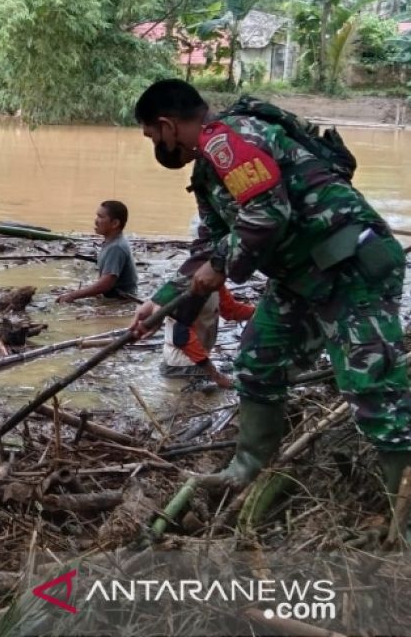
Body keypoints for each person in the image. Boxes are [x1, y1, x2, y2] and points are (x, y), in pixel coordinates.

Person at [130, 79, 411, 529]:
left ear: (166, 125)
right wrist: (159, 302)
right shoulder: (207, 168)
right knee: (258, 363)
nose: (156, 147)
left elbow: (267, 212)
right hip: (303, 278)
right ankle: (249, 468)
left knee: (373, 386)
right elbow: (209, 245)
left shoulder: (226, 140)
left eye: (152, 137)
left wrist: (221, 264)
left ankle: (404, 517)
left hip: (351, 268)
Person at [160, 286, 255, 389]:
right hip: (183, 365)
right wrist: (216, 376)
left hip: (197, 361)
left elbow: (230, 309)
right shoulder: (186, 290)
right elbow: (181, 337)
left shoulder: (216, 282)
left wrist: (260, 313)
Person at [57, 200, 138, 302]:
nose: (96, 221)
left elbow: (105, 285)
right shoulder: (111, 242)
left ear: (115, 223)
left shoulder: (116, 247)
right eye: (97, 216)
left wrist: (73, 295)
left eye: (101, 217)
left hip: (120, 301)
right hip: (114, 297)